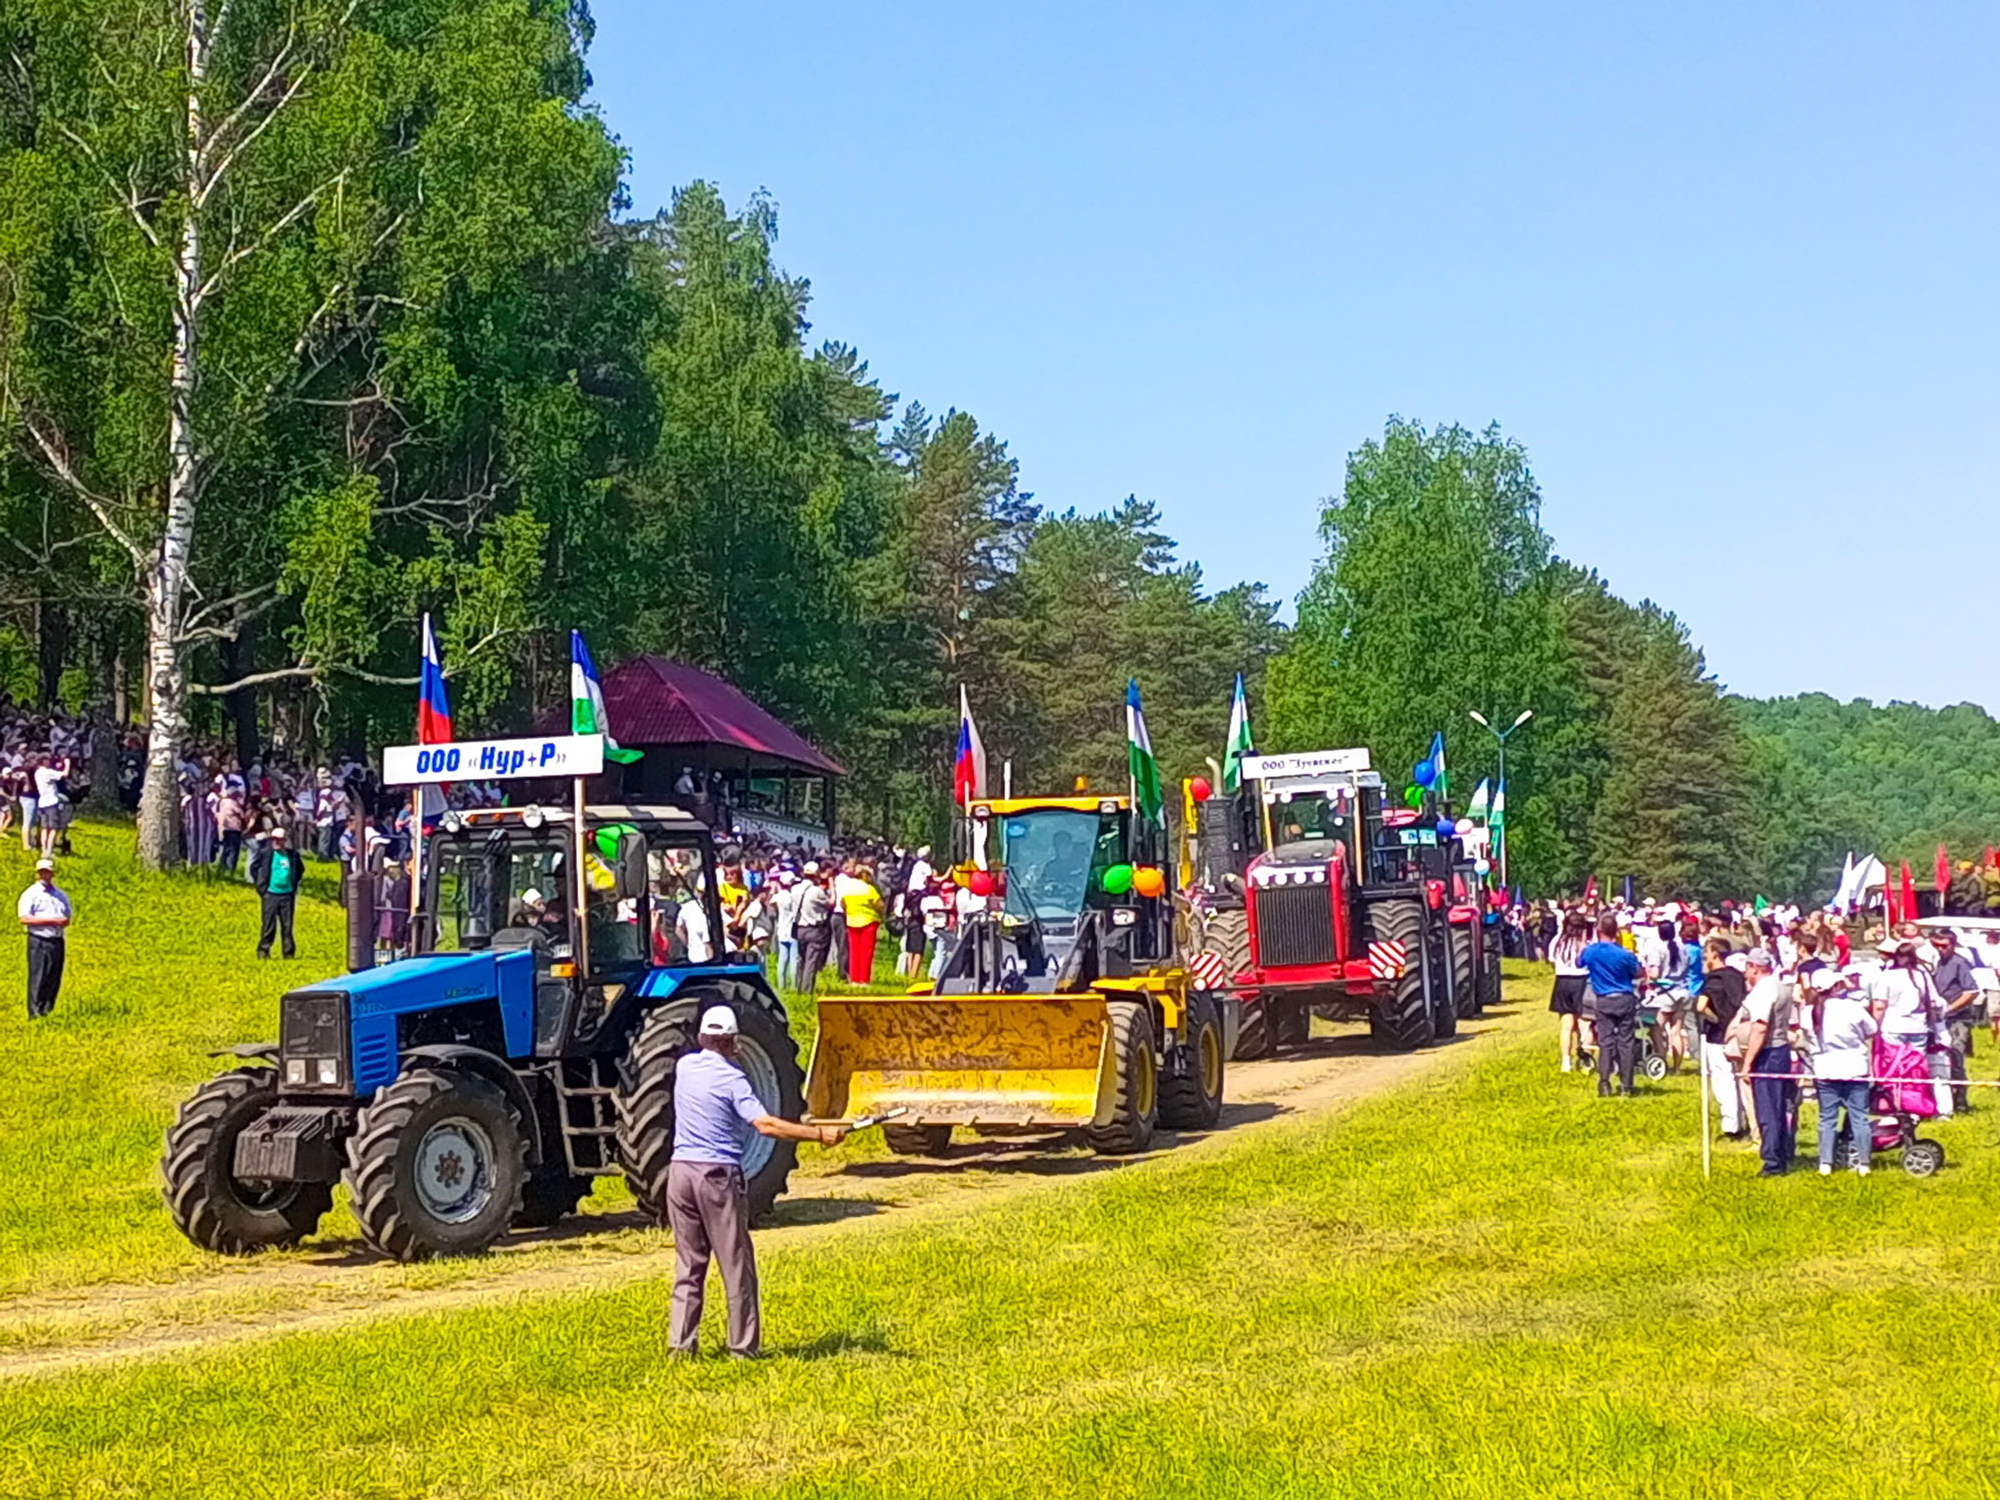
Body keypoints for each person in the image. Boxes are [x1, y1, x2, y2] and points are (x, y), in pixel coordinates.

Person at [666, 1005, 847, 1358]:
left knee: (689, 1263)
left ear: (703, 1037)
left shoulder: (684, 1066)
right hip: (716, 1176)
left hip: (679, 1173)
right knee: (735, 1265)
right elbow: (765, 1125)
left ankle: (680, 1346)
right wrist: (818, 1134)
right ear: (732, 1041)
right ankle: (743, 1348)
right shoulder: (732, 1078)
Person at [1808, 968, 1877, 1176]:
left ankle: (1825, 1163)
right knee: (1860, 1117)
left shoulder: (1809, 1012)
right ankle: (1864, 1164)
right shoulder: (1853, 1008)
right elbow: (1872, 1029)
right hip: (1855, 1068)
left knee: (1827, 1118)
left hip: (1825, 1069)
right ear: (1836, 986)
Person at [1736, 948, 1796, 1176]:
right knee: (1780, 1108)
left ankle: (1772, 1162)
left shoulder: (1763, 992)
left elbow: (1760, 1028)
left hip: (1768, 1052)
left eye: (1747, 967)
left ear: (1754, 967)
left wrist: (1747, 1063)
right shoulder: (1781, 986)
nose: (1745, 973)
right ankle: (1782, 1153)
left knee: (1768, 1111)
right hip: (1781, 1049)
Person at [1579, 913, 1645, 1097]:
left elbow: (1579, 962)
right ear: (1616, 932)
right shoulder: (1624, 954)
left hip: (1603, 999)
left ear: (1598, 930)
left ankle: (1604, 1083)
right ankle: (1626, 1085)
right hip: (1624, 997)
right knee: (1626, 1042)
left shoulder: (1590, 951)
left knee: (1605, 1042)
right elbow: (1639, 972)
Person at [1694, 938, 1748, 1138]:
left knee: (1722, 1079)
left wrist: (1716, 1019)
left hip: (1717, 1035)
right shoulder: (1737, 976)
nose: (1704, 958)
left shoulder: (1714, 979)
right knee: (1740, 1078)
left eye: (1706, 954)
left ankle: (1731, 1125)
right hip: (1739, 1033)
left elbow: (1701, 1006)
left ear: (1715, 954)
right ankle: (1745, 1119)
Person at [1929, 929, 1978, 1112]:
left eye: (1944, 945)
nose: (1940, 949)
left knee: (1956, 1058)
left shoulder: (1959, 963)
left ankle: (1960, 1102)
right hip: (1941, 1021)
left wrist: (1949, 1009)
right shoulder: (1939, 962)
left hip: (1958, 1019)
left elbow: (1971, 992)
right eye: (1937, 945)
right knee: (1942, 1060)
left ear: (1953, 944)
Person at [19, 856, 71, 1018]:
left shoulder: (60, 895)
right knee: (38, 975)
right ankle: (34, 1012)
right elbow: (24, 918)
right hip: (39, 939)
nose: (45, 875)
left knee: (53, 975)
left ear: (52, 874)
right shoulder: (31, 894)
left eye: (47, 872)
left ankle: (47, 1009)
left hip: (56, 939)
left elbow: (67, 916)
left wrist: (61, 922)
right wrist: (51, 921)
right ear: (37, 874)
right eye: (42, 872)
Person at [249, 825, 304, 959]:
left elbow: (300, 869)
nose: (276, 842)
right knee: (268, 925)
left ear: (284, 840)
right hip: (270, 894)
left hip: (287, 894)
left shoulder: (292, 855)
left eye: (279, 840)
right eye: (274, 839)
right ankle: (263, 951)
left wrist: (293, 883)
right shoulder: (266, 853)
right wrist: (261, 886)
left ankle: (288, 952)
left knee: (287, 925)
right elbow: (254, 867)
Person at [1548, 911, 1591, 1072]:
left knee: (1566, 1026)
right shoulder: (1585, 942)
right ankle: (1585, 1058)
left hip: (1562, 981)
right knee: (1583, 1023)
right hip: (1581, 981)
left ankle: (1566, 1061)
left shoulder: (1557, 941)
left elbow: (1551, 961)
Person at [793, 863, 834, 995]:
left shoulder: (795, 889)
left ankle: (798, 986)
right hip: (814, 928)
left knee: (801, 959)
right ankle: (807, 990)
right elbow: (831, 903)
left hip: (799, 928)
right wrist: (831, 885)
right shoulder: (817, 891)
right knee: (811, 961)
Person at [841, 863, 884, 985]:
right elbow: (880, 905)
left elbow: (842, 903)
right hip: (868, 922)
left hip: (851, 921)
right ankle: (864, 979)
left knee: (854, 952)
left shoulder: (848, 887)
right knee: (866, 952)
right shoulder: (869, 889)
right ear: (865, 875)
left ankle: (854, 979)